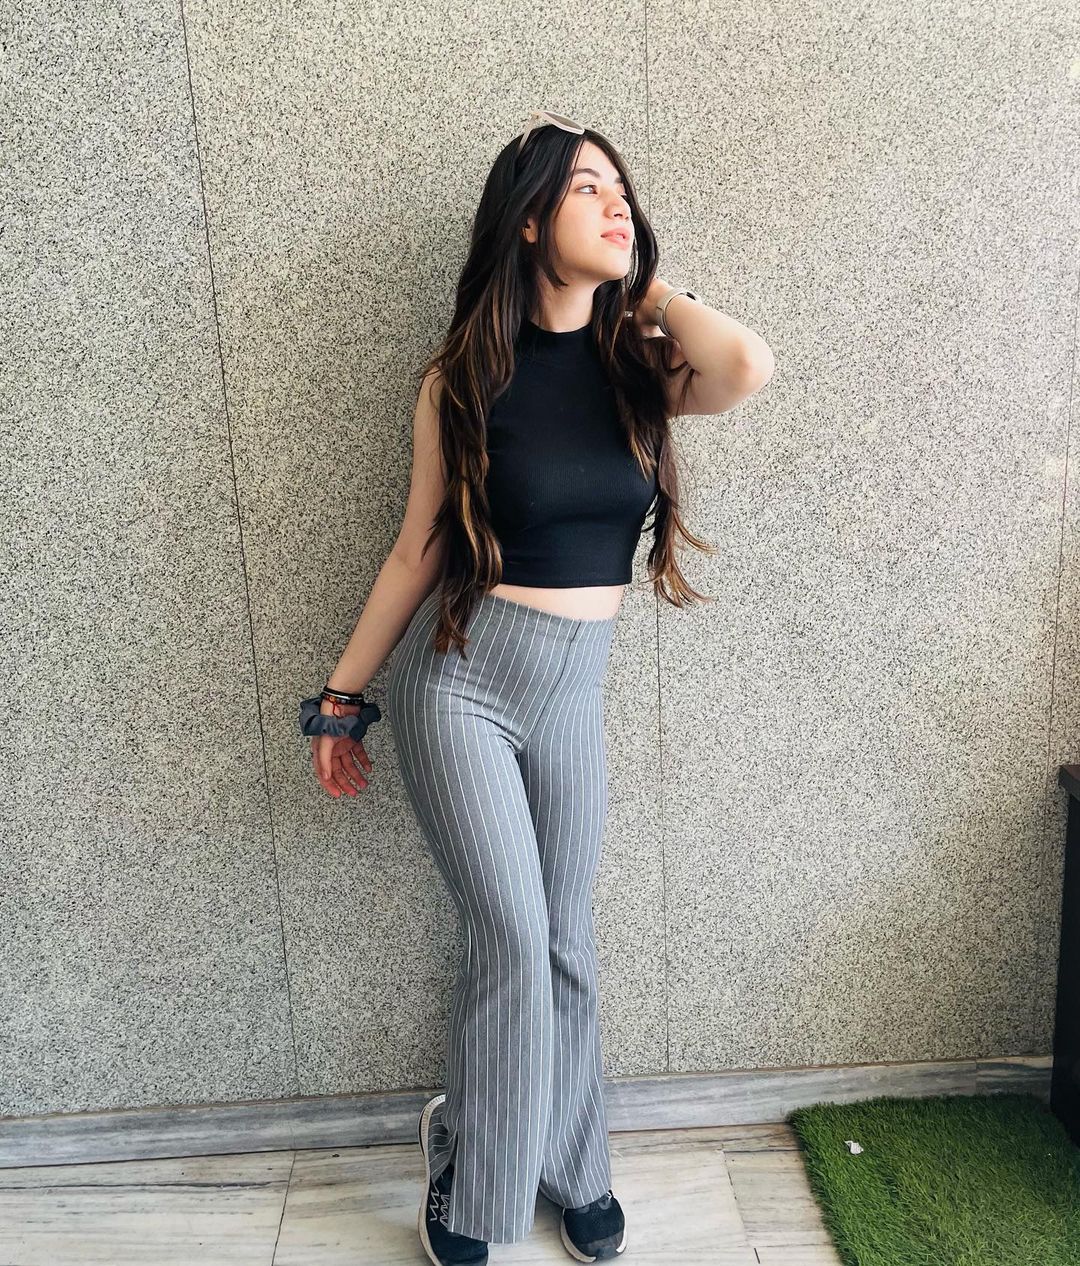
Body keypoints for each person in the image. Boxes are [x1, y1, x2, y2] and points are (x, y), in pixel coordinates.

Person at [298, 109, 775, 1266]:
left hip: (573, 693)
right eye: (583, 189)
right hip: (465, 686)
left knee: (567, 940)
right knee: (512, 937)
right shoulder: (461, 381)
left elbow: (746, 367)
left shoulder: (639, 368)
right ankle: (473, 1182)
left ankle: (575, 1165)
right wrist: (342, 698)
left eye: (621, 188)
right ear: (525, 223)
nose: (614, 205)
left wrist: (644, 286)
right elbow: (416, 550)